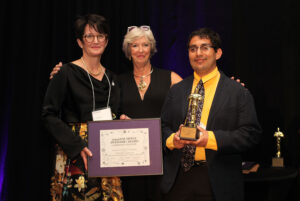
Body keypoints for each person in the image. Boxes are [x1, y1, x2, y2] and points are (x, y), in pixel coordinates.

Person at [160, 27, 262, 201]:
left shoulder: (237, 92)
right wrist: (172, 140)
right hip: (177, 180)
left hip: (218, 180)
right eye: (193, 49)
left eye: (204, 47)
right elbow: (162, 127)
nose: (198, 53)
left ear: (218, 53)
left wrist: (210, 139)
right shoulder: (176, 91)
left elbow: (250, 135)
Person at [42, 14, 124, 201]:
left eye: (100, 36)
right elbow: (48, 114)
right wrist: (76, 145)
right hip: (76, 154)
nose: (95, 41)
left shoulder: (113, 78)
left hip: (107, 153)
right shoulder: (65, 72)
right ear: (80, 42)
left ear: (107, 41)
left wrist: (122, 121)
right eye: (89, 36)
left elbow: (115, 114)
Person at [117, 26, 182, 201]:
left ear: (151, 49)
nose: (140, 50)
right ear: (128, 50)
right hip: (129, 157)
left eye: (145, 45)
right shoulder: (117, 81)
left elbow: (196, 99)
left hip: (162, 156)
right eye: (135, 45)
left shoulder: (171, 77)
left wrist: (228, 88)